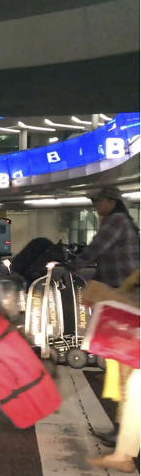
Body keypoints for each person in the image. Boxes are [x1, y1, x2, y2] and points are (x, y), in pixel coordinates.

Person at [73, 187, 140, 447]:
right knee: (122, 365)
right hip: (125, 295)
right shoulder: (124, 222)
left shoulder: (116, 222)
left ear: (111, 202)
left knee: (124, 367)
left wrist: (73, 263)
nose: (95, 206)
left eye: (97, 201)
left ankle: (124, 429)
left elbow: (96, 248)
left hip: (125, 298)